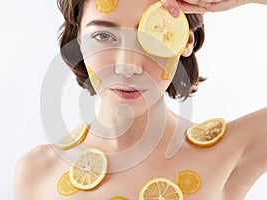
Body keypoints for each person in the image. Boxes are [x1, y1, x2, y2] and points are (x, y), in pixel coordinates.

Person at [14, 0, 267, 199]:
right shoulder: (36, 171)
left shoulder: (231, 152)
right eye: (103, 36)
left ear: (185, 41)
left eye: (153, 37)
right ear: (79, 40)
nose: (128, 66)